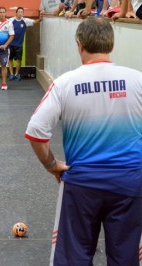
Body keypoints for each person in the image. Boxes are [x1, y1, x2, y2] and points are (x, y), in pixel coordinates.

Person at [25, 17, 142, 265]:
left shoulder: (65, 84)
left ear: (79, 44)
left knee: (73, 257)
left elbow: (36, 131)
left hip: (82, 184)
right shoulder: (137, 80)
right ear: (111, 44)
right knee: (126, 258)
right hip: (130, 183)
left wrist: (52, 164)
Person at [8, 7, 41, 81]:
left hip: (19, 45)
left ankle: (17, 74)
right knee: (10, 59)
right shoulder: (11, 20)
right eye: (19, 12)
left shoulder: (25, 21)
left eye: (21, 12)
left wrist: (41, 18)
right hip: (10, 44)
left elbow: (35, 22)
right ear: (16, 13)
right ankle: (11, 74)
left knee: (19, 60)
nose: (20, 13)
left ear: (23, 13)